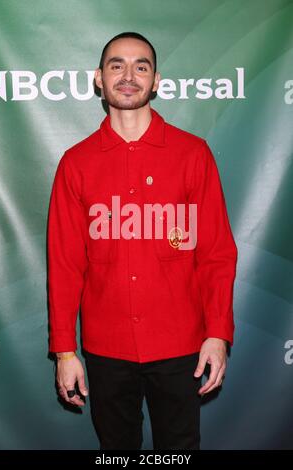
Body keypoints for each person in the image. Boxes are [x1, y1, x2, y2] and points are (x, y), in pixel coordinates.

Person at [47, 31, 238, 450]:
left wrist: (218, 333)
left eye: (141, 66)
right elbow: (64, 264)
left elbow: (216, 254)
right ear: (99, 78)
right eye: (117, 65)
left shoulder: (192, 155)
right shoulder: (76, 164)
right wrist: (64, 351)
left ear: (156, 81)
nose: (128, 75)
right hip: (106, 348)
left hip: (181, 346)